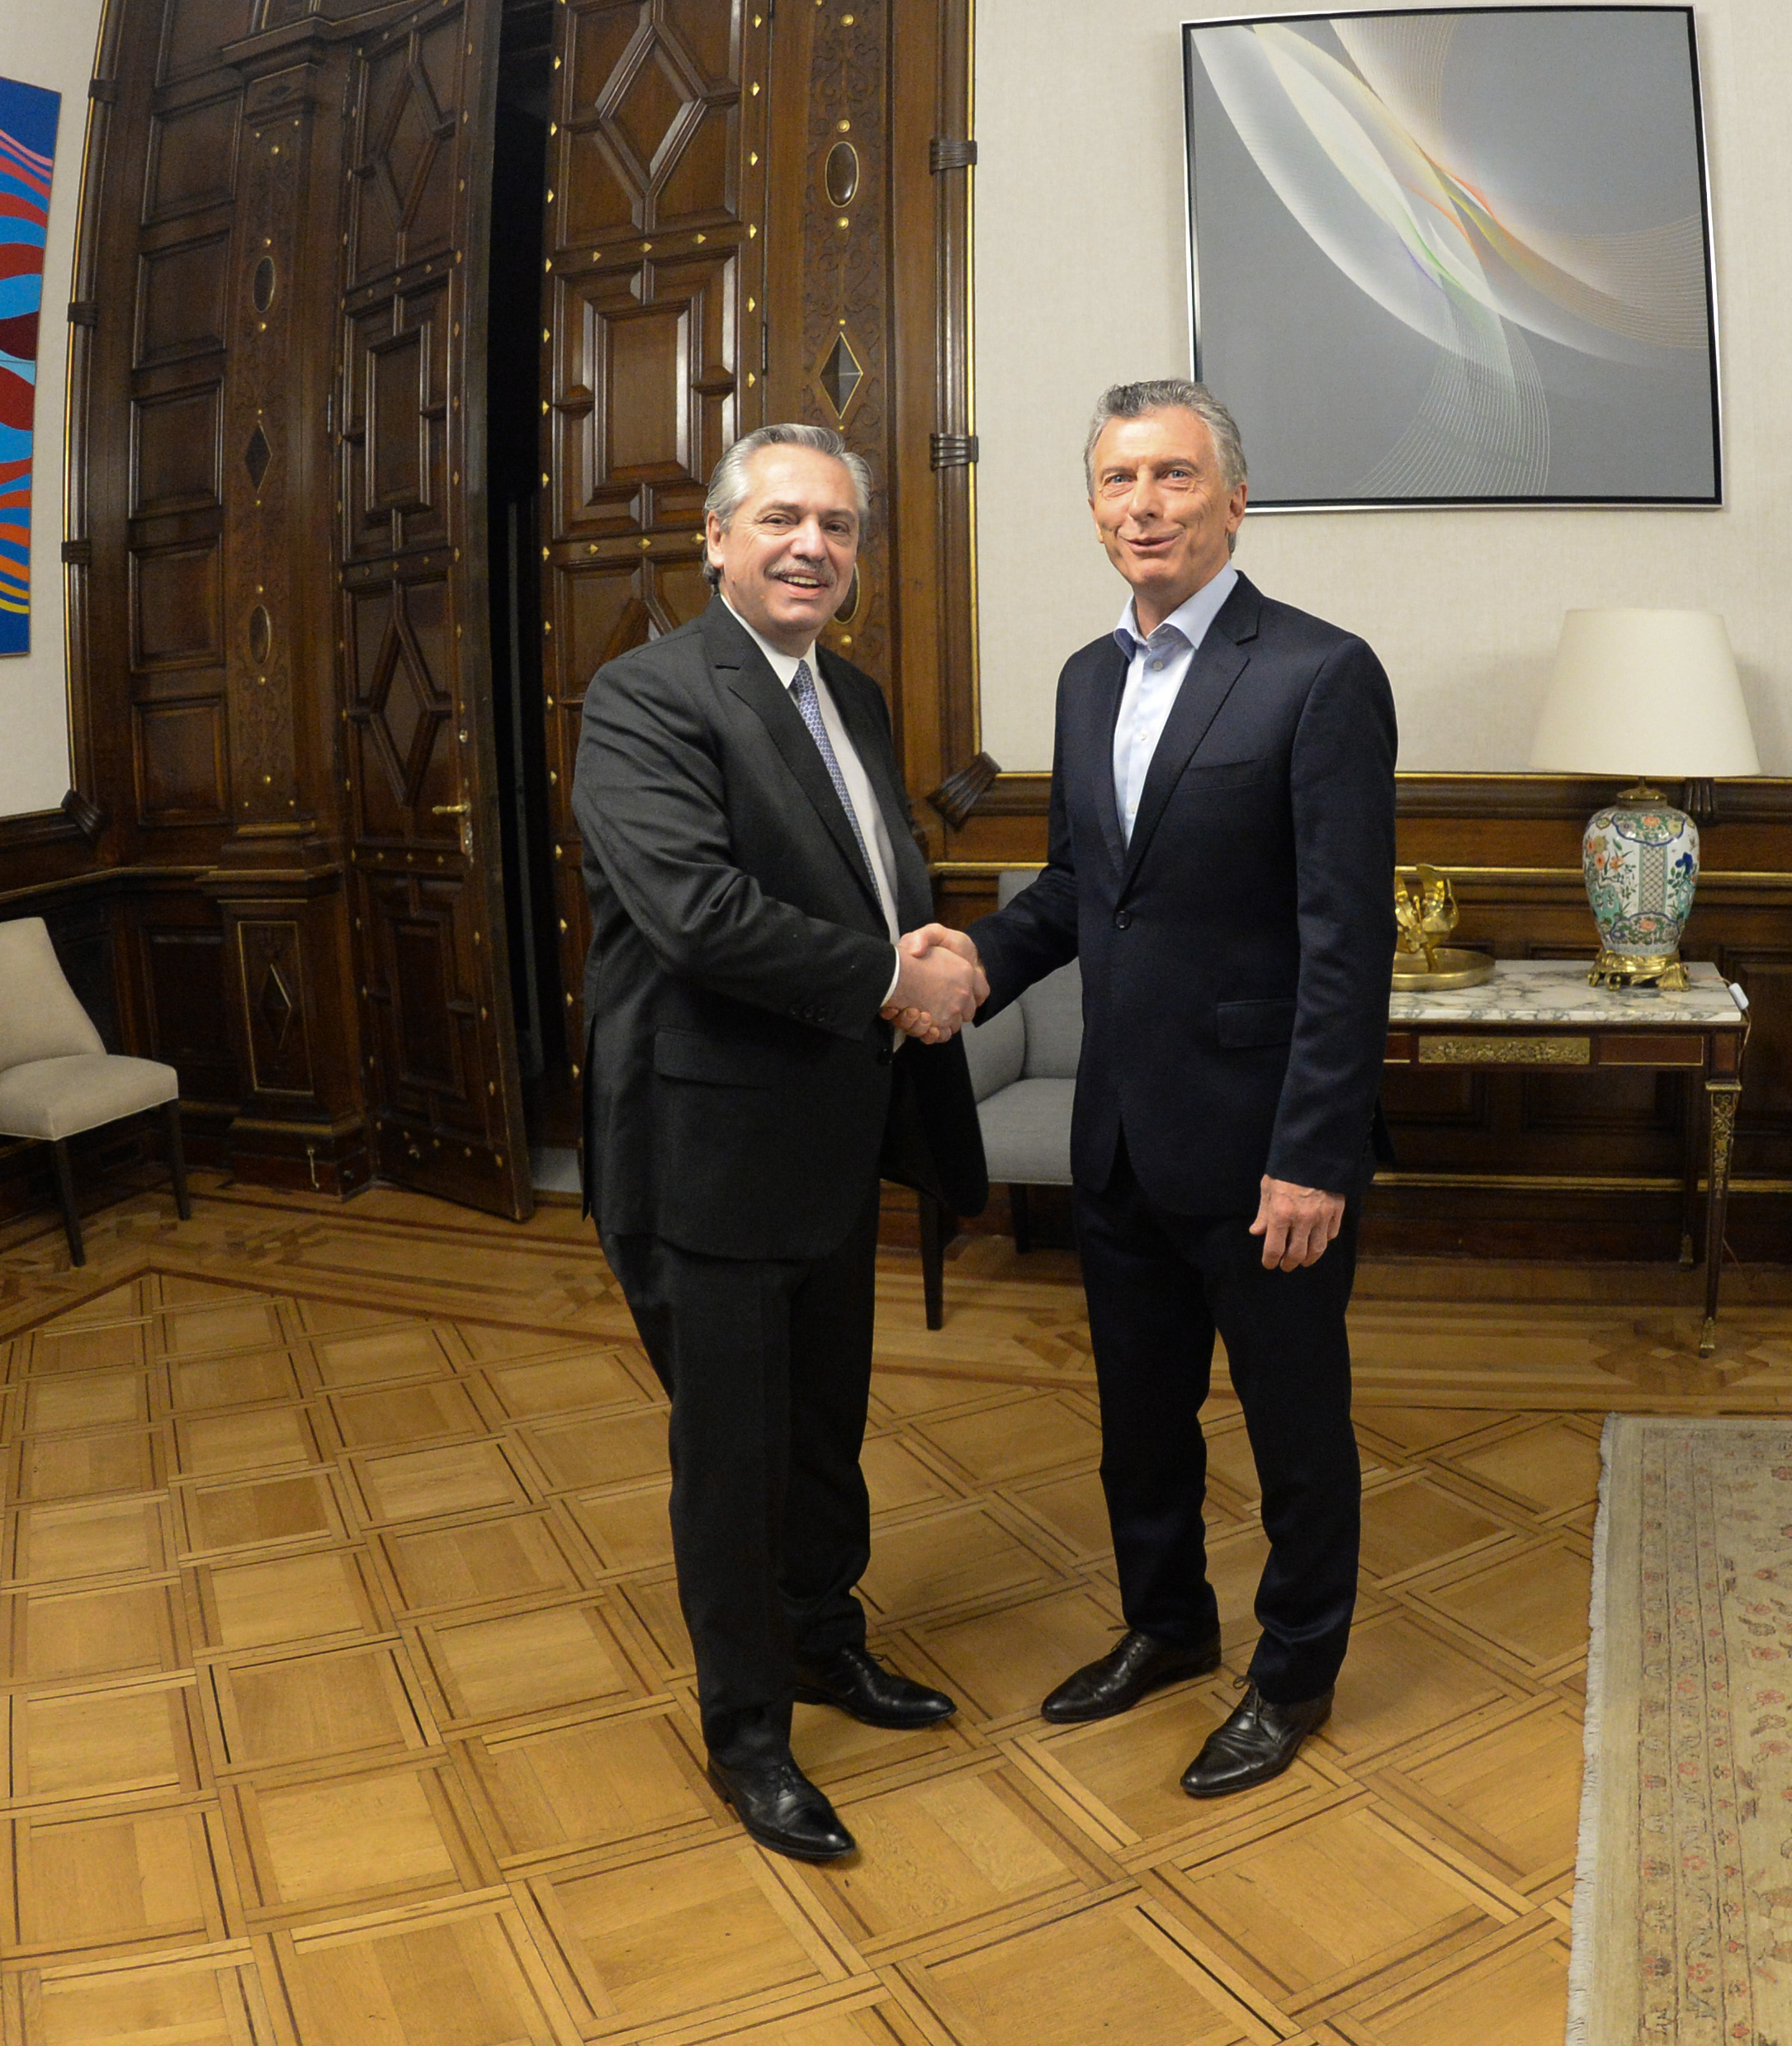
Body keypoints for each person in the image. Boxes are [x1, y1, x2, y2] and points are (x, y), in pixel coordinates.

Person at [918, 376, 1396, 1797]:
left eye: (1176, 479)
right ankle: (1166, 1631)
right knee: (1141, 1422)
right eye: (1121, 482)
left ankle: (1290, 1676)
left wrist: (1313, 1153)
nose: (1147, 506)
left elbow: (1344, 936)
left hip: (1266, 1154)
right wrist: (974, 966)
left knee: (1296, 1434)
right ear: (1093, 507)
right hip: (1118, 1136)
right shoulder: (1082, 679)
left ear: (1234, 500)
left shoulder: (1320, 672)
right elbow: (1084, 890)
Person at [572, 421, 990, 1862]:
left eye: (839, 526)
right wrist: (895, 978)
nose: (813, 546)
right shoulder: (643, 698)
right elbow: (696, 914)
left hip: (825, 1143)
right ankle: (749, 1734)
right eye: (781, 520)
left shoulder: (849, 695)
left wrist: (909, 933)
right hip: (705, 1159)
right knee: (735, 1463)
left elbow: (855, 873)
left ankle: (827, 1642)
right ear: (716, 539)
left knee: (822, 1437)